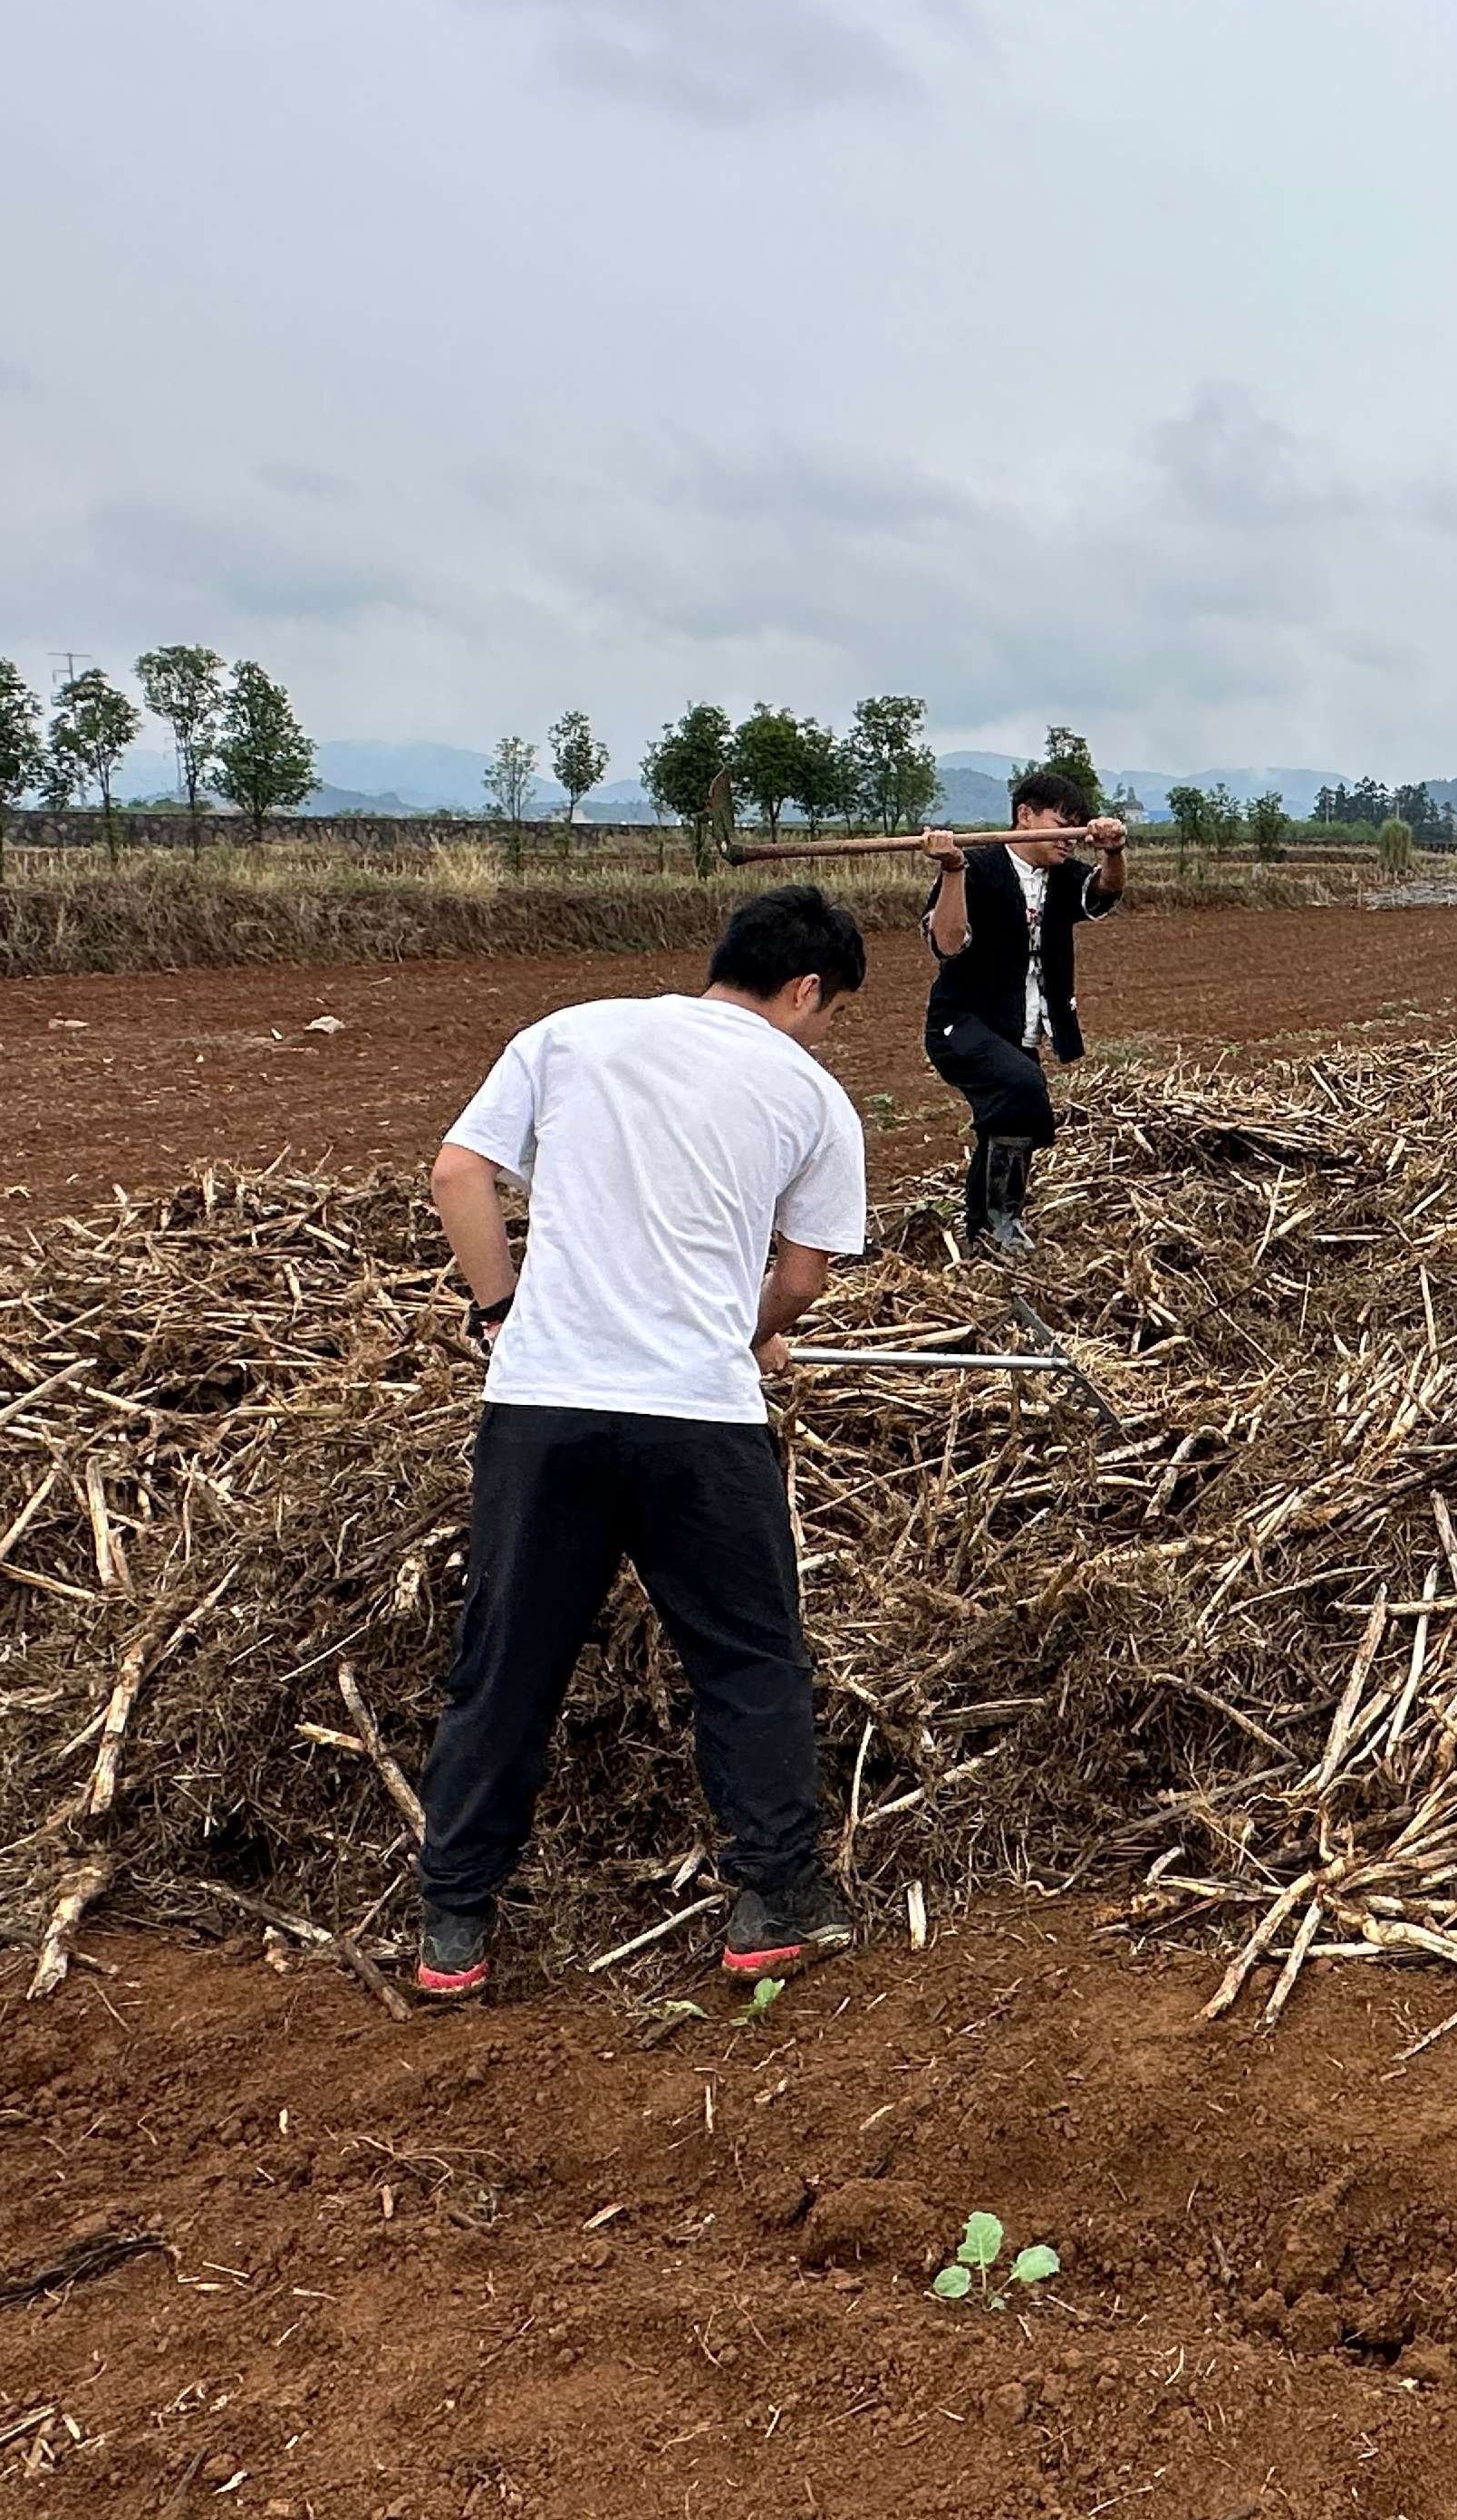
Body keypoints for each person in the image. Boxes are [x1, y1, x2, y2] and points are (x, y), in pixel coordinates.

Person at [411, 884, 874, 2002]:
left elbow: (457, 1173)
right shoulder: (811, 1097)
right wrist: (747, 1330)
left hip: (543, 1410)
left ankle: (454, 1927)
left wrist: (499, 1311)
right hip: (701, 1422)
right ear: (806, 988)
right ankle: (771, 1905)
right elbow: (801, 1278)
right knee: (749, 1659)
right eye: (829, 1009)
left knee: (508, 1662)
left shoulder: (569, 1034)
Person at [921, 772, 1129, 1258]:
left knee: (1005, 1118)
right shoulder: (978, 867)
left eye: (1078, 828)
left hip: (1022, 1032)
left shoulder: (1063, 877)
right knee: (1022, 1090)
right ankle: (1000, 1221)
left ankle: (983, 1233)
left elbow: (1107, 891)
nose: (1068, 837)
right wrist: (952, 869)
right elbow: (947, 944)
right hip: (962, 1024)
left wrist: (1113, 849)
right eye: (1061, 823)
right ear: (1025, 816)